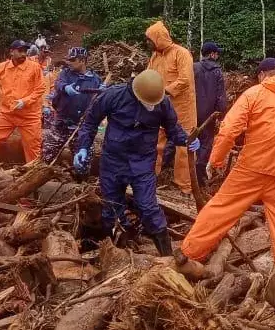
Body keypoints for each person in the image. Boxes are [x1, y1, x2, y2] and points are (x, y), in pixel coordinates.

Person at [177, 59, 275, 274]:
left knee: (221, 209)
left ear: (263, 75)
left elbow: (229, 129)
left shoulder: (254, 94)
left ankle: (188, 254)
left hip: (251, 169)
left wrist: (215, 159)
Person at [73, 69, 198, 255]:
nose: (150, 106)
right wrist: (83, 147)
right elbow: (90, 122)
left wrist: (187, 140)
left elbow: (173, 128)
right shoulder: (113, 95)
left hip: (143, 163)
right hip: (113, 161)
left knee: (148, 207)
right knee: (111, 208)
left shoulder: (162, 103)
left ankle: (167, 256)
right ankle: (117, 252)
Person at [145, 21, 197, 194]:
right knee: (155, 141)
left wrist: (163, 91)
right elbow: (149, 76)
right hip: (160, 107)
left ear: (158, 39)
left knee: (183, 147)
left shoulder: (181, 54)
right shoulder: (155, 57)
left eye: (149, 39)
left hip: (182, 108)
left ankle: (185, 187)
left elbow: (185, 80)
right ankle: (150, 177)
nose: (147, 43)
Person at [0, 40, 47, 163]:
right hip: (7, 113)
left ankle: (33, 174)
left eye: (25, 51)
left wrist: (25, 101)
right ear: (12, 51)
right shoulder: (3, 67)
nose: (23, 54)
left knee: (33, 148)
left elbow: (40, 88)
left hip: (29, 116)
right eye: (20, 51)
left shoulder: (34, 67)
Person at [42, 47, 103, 166]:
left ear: (82, 61)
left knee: (83, 161)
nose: (69, 62)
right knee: (47, 155)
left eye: (73, 60)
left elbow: (100, 101)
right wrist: (65, 88)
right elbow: (59, 83)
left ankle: (81, 181)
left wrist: (103, 92)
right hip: (61, 123)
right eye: (68, 59)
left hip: (81, 127)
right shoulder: (65, 74)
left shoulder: (95, 79)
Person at [193, 42, 227, 180]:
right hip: (209, 114)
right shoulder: (217, 71)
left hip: (192, 111)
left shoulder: (193, 67)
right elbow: (221, 95)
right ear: (212, 54)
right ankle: (199, 174)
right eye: (216, 53)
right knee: (206, 143)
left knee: (188, 139)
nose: (217, 55)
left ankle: (182, 170)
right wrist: (221, 112)